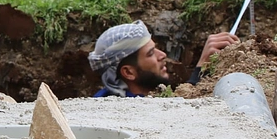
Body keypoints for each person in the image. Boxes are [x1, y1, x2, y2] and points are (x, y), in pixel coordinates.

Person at [89, 20, 238, 97]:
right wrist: (200, 69)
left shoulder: (109, 97)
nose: (163, 55)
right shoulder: (129, 111)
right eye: (150, 53)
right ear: (128, 72)